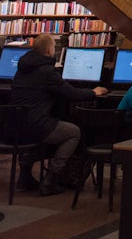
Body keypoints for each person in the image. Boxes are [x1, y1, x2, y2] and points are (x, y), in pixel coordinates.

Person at [9, 33, 109, 196]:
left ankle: (25, 174)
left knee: (54, 126)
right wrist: (93, 92)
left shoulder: (22, 70)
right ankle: (51, 178)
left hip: (15, 126)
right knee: (73, 132)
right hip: (36, 126)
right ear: (50, 50)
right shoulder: (47, 72)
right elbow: (71, 93)